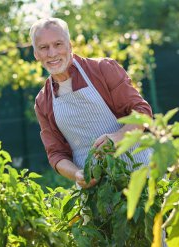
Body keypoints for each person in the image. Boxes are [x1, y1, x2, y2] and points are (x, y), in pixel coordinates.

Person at [30, 17, 152, 189]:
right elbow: (56, 154)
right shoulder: (43, 102)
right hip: (96, 193)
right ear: (36, 54)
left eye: (58, 44)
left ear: (70, 45)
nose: (52, 53)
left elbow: (142, 111)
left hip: (139, 174)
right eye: (44, 47)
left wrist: (117, 137)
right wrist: (78, 174)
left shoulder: (103, 70)